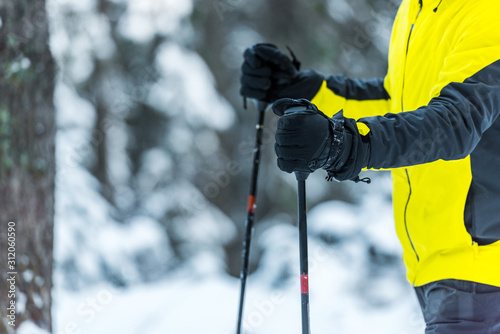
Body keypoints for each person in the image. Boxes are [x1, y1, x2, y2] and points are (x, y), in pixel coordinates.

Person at [240, 0, 500, 333]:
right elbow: (397, 100)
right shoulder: (416, 9)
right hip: (435, 266)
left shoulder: (488, 12)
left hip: (480, 266)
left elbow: (453, 123)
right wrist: (303, 89)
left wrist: (347, 143)